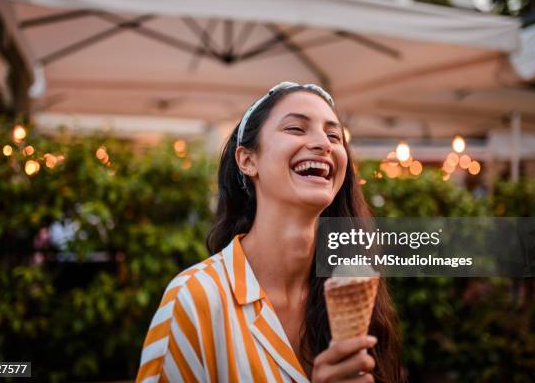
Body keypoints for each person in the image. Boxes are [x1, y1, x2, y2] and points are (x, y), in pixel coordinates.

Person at [135, 82, 403, 382]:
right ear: (248, 160)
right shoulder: (194, 299)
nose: (324, 144)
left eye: (334, 135)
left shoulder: (355, 287)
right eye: (296, 129)